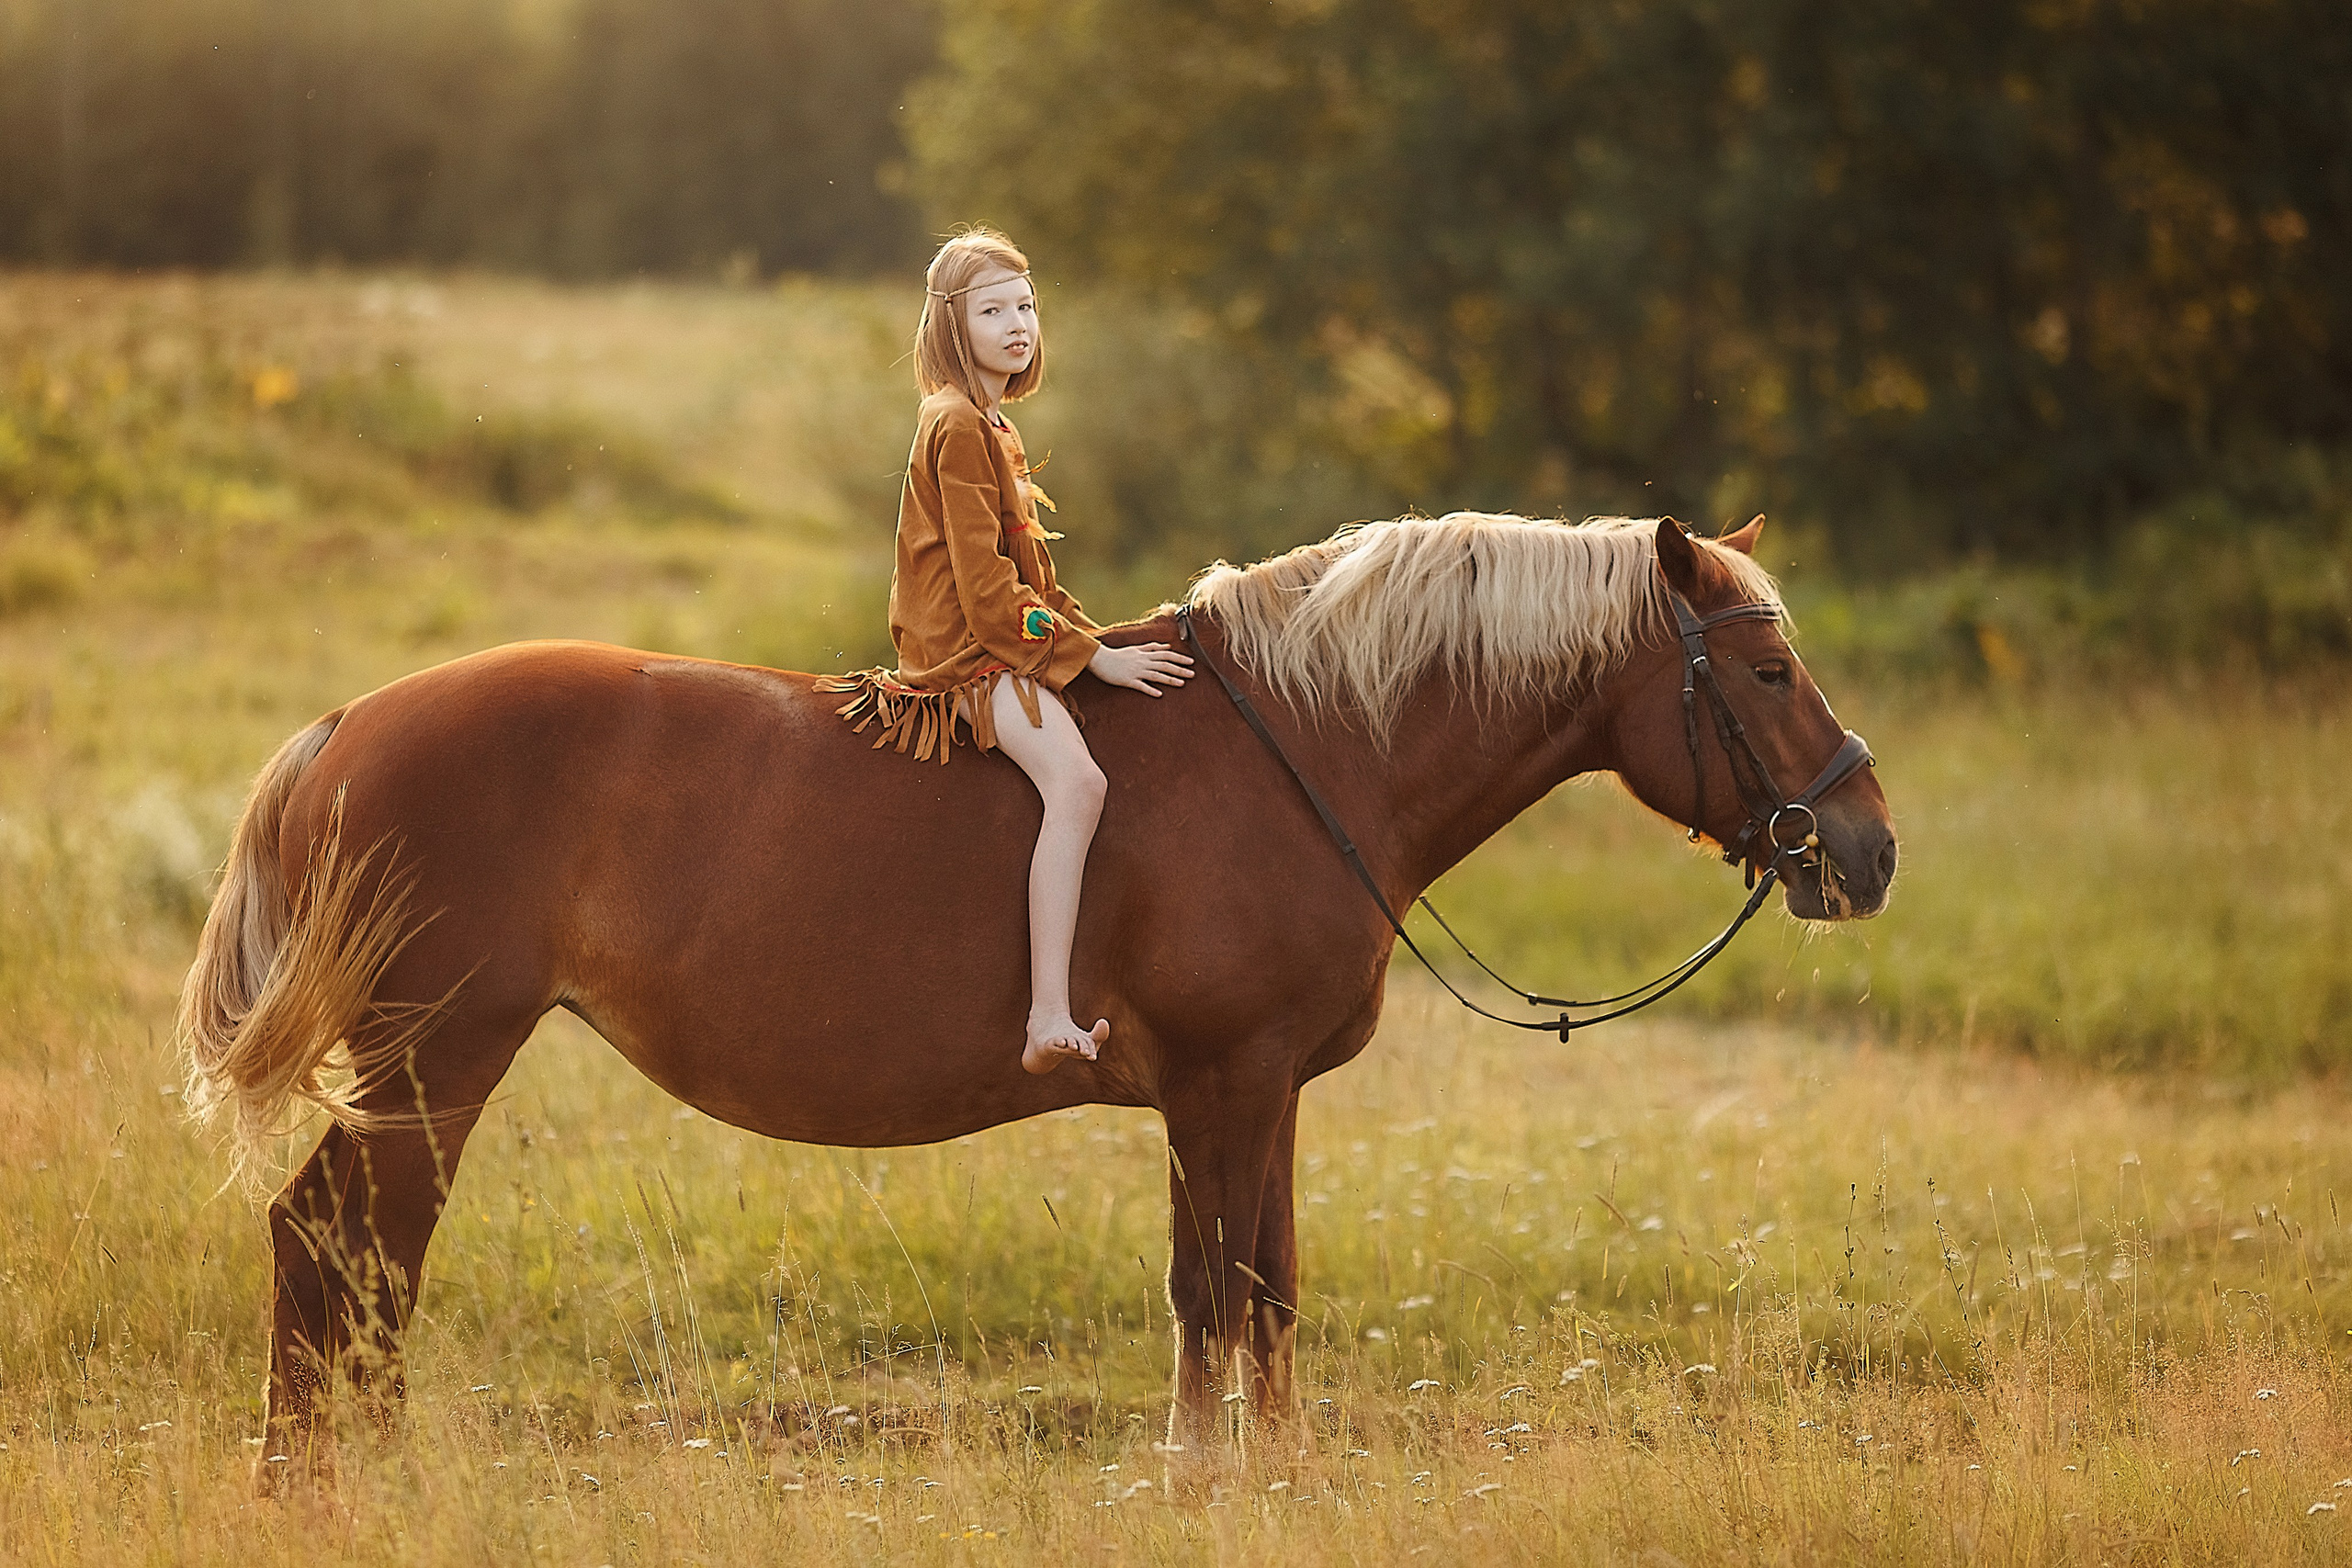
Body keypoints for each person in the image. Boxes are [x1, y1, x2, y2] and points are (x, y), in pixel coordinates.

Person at [819, 229, 1192, 1074]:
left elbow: (1033, 576)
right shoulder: (954, 423)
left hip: (999, 641)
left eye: (1025, 305)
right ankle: (1048, 1013)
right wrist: (1085, 657)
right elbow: (991, 602)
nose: (1017, 324)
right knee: (1079, 780)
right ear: (952, 326)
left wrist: (1096, 638)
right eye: (992, 310)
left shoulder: (994, 425)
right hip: (965, 657)